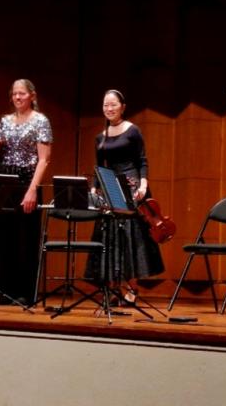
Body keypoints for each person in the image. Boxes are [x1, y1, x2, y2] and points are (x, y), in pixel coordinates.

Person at [85, 89, 164, 304]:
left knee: (130, 238)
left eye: (113, 105)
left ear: (122, 107)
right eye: (105, 105)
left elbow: (142, 160)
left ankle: (132, 287)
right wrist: (94, 189)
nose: (109, 109)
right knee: (109, 237)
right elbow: (99, 166)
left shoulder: (132, 131)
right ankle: (111, 288)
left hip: (130, 185)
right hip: (109, 185)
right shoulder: (100, 137)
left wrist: (144, 184)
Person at [0, 79, 52, 306]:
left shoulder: (41, 121)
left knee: (27, 238)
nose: (17, 97)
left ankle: (27, 293)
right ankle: (6, 291)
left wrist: (32, 190)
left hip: (27, 181)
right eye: (14, 93)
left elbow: (43, 160)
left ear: (32, 96)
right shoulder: (5, 121)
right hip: (5, 179)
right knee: (5, 237)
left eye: (22, 93)